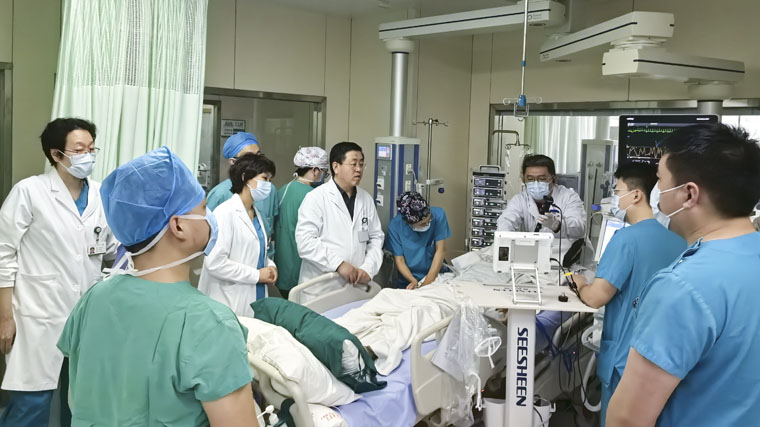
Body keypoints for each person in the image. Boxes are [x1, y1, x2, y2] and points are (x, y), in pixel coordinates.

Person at [57, 146, 258, 426]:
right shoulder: (209, 323)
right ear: (178, 226)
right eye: (202, 208)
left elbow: (76, 398)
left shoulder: (94, 298)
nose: (209, 216)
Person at [607, 124, 760, 427]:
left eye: (660, 182)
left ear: (689, 194)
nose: (656, 194)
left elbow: (628, 419)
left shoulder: (682, 287)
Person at [0, 118, 117, 427]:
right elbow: (3, 254)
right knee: (31, 404)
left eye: (91, 149)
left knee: (80, 404)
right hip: (37, 317)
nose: (87, 156)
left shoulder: (102, 195)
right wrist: (5, 317)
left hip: (87, 317)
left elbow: (113, 250)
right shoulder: (29, 192)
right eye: (79, 150)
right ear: (56, 154)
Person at [571, 163, 686, 424]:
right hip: (662, 360)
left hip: (625, 361)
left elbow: (595, 297)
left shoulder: (625, 239)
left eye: (617, 191)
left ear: (635, 195)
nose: (614, 198)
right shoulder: (679, 241)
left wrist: (579, 283)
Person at [295, 142, 384, 302]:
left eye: (361, 164)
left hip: (356, 286)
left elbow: (376, 238)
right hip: (322, 289)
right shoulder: (316, 198)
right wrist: (339, 264)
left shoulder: (366, 199)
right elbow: (305, 242)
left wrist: (368, 268)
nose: (359, 169)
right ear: (336, 167)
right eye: (353, 164)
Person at [199, 153, 278, 316]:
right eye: (265, 178)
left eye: (270, 180)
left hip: (254, 295)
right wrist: (257, 275)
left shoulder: (255, 213)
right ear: (245, 177)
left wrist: (270, 265)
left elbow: (255, 251)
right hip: (229, 300)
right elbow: (215, 263)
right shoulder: (225, 213)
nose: (268, 185)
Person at [497, 154, 586, 262]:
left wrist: (557, 225)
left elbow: (580, 229)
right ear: (523, 179)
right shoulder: (520, 199)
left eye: (542, 179)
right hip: (530, 257)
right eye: (530, 179)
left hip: (564, 259)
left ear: (554, 179)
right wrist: (505, 236)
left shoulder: (569, 197)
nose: (536, 183)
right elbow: (506, 220)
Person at [206, 132, 278, 255]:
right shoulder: (220, 194)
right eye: (249, 157)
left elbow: (271, 229)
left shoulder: (269, 190)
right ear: (233, 162)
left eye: (258, 155)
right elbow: (208, 238)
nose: (257, 161)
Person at [273, 147, 329, 299]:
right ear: (315, 170)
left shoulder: (284, 190)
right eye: (325, 172)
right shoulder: (313, 196)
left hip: (283, 268)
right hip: (301, 270)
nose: (325, 177)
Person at [385, 192, 451, 289]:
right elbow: (400, 260)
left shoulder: (438, 215)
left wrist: (428, 282)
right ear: (408, 223)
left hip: (436, 276)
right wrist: (413, 280)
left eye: (429, 219)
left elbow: (440, 250)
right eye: (422, 224)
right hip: (408, 279)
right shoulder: (395, 226)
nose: (427, 224)